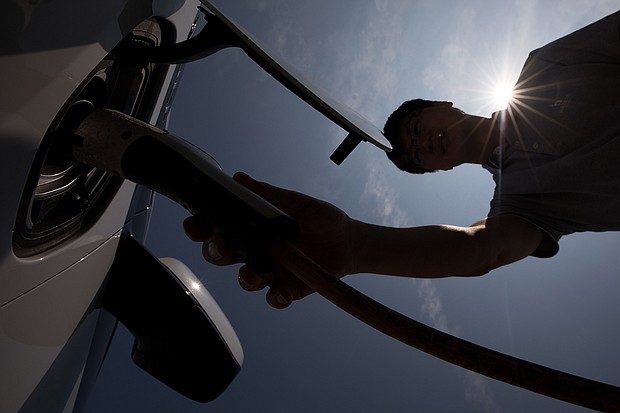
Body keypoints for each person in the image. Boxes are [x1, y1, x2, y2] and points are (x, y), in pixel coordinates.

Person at [184, 10, 620, 309]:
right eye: (416, 157)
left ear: (445, 103)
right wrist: (355, 247)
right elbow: (481, 248)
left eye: (416, 128)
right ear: (440, 170)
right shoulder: (524, 204)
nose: (422, 146)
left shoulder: (545, 68)